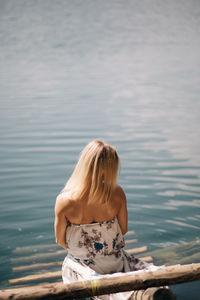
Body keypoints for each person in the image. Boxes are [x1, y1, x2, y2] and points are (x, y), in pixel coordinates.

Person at [54, 140, 158, 299]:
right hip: (116, 263)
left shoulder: (64, 201)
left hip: (84, 269)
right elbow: (123, 230)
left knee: (71, 264)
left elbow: (60, 241)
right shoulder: (118, 193)